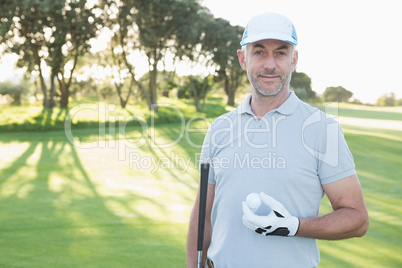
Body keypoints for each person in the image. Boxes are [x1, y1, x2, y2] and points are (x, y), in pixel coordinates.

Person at [186, 13, 369, 268]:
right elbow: (202, 216)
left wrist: (294, 226)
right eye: (259, 52)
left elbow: (357, 219)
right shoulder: (219, 129)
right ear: (243, 59)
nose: (270, 64)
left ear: (293, 60)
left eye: (280, 53)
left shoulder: (322, 129)